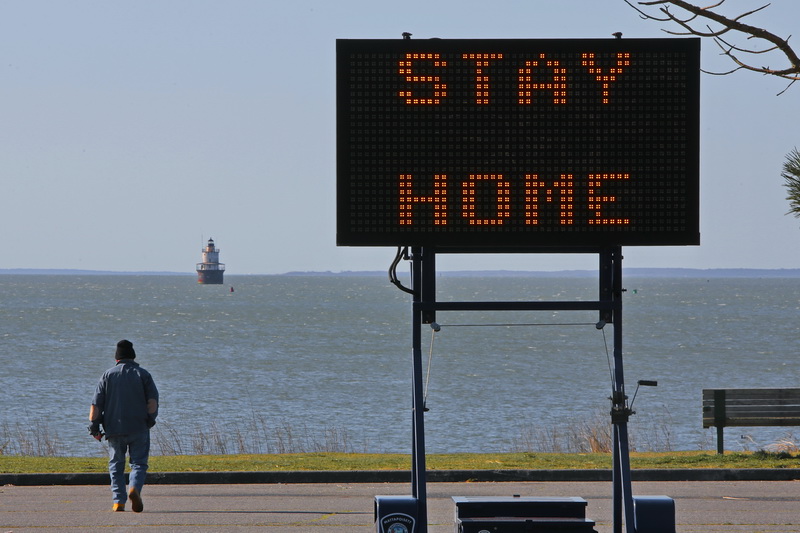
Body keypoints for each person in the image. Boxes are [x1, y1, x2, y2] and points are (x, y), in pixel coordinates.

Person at [89, 339, 159, 512]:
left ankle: (118, 501)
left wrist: (94, 427)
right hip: (139, 427)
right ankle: (134, 488)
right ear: (133, 356)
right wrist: (150, 420)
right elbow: (152, 401)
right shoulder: (143, 374)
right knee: (139, 464)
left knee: (116, 465)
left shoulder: (107, 375)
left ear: (116, 358)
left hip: (114, 429)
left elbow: (96, 405)